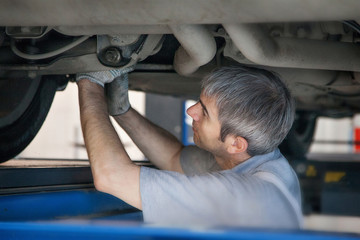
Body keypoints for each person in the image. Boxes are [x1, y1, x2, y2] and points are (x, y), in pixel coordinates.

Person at [76, 65, 303, 229]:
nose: (190, 111)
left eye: (204, 112)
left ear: (236, 143)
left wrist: (89, 83)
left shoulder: (246, 195)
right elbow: (175, 159)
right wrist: (122, 111)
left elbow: (110, 176)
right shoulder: (258, 159)